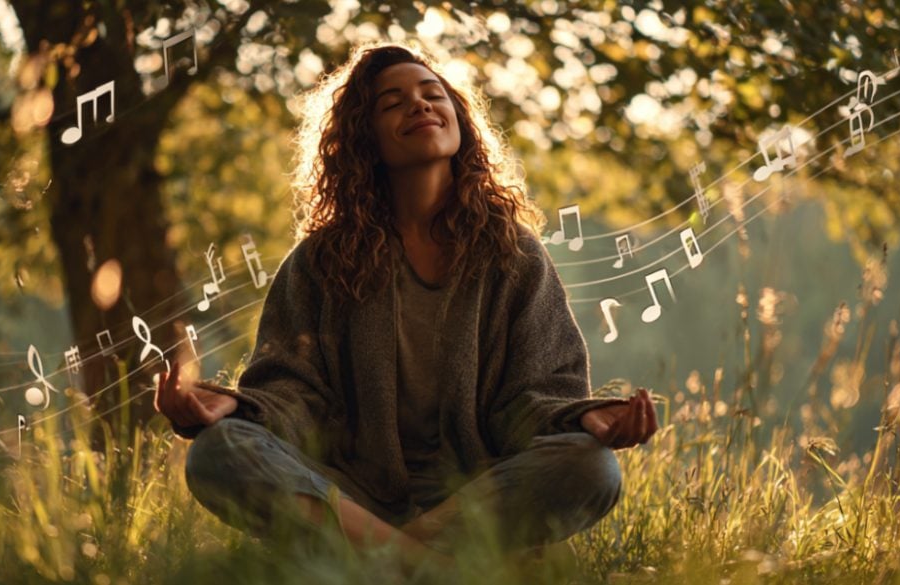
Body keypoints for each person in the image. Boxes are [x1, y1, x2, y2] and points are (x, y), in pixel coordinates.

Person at [154, 41, 658, 575]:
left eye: (431, 94)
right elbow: (295, 395)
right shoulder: (321, 260)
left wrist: (580, 416)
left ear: (459, 119)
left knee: (592, 468)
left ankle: (382, 559)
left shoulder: (513, 254)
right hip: (352, 495)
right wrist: (238, 409)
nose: (418, 106)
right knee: (217, 451)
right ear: (364, 138)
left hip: (474, 494)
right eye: (392, 103)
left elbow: (534, 398)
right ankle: (436, 569)